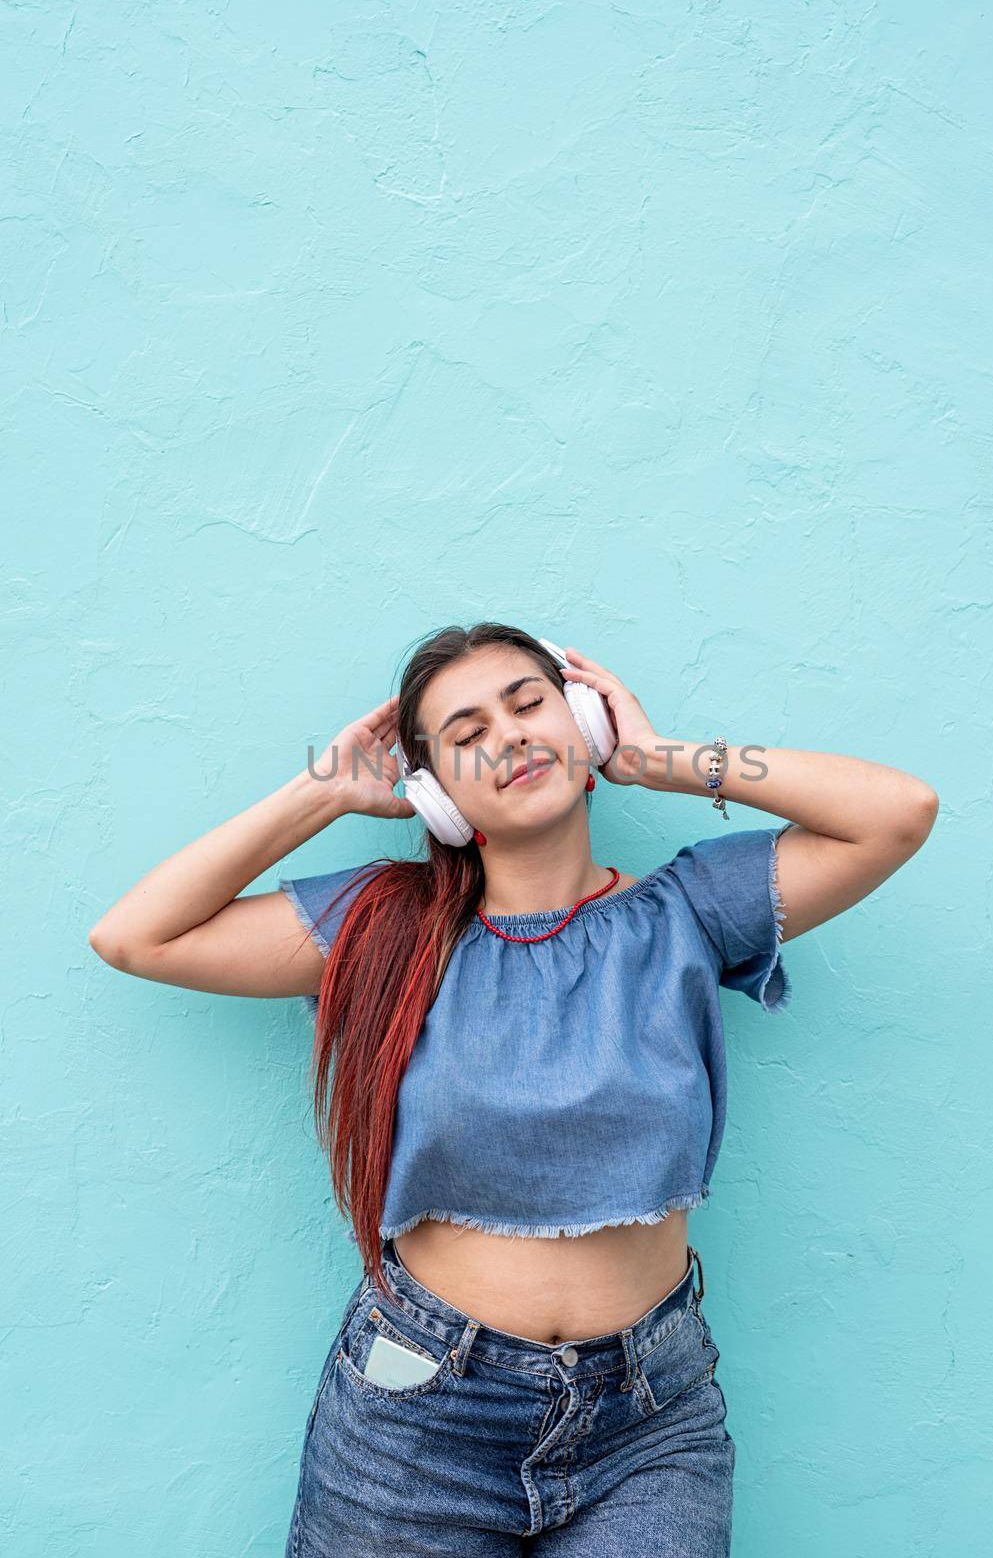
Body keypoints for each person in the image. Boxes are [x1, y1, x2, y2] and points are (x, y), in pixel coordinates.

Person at [88, 621, 938, 1555]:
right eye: (465, 735)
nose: (510, 736)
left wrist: (661, 760)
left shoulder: (688, 911)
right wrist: (321, 793)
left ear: (583, 724)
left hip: (651, 1426)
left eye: (530, 704)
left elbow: (898, 811)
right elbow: (137, 937)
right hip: (420, 1414)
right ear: (435, 795)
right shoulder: (385, 929)